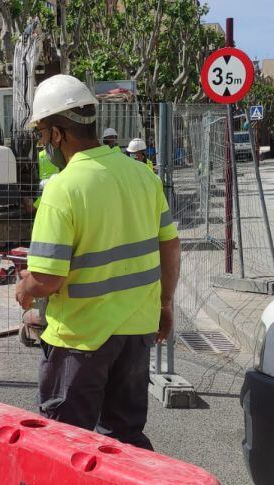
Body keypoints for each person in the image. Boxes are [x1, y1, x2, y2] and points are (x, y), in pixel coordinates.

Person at [14, 74, 181, 450]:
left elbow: (46, 281)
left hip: (80, 339)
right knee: (123, 442)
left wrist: (25, 288)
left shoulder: (63, 187)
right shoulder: (142, 175)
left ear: (58, 134)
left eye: (42, 134)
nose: (43, 144)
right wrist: (165, 304)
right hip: (136, 331)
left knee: (63, 444)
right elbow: (169, 246)